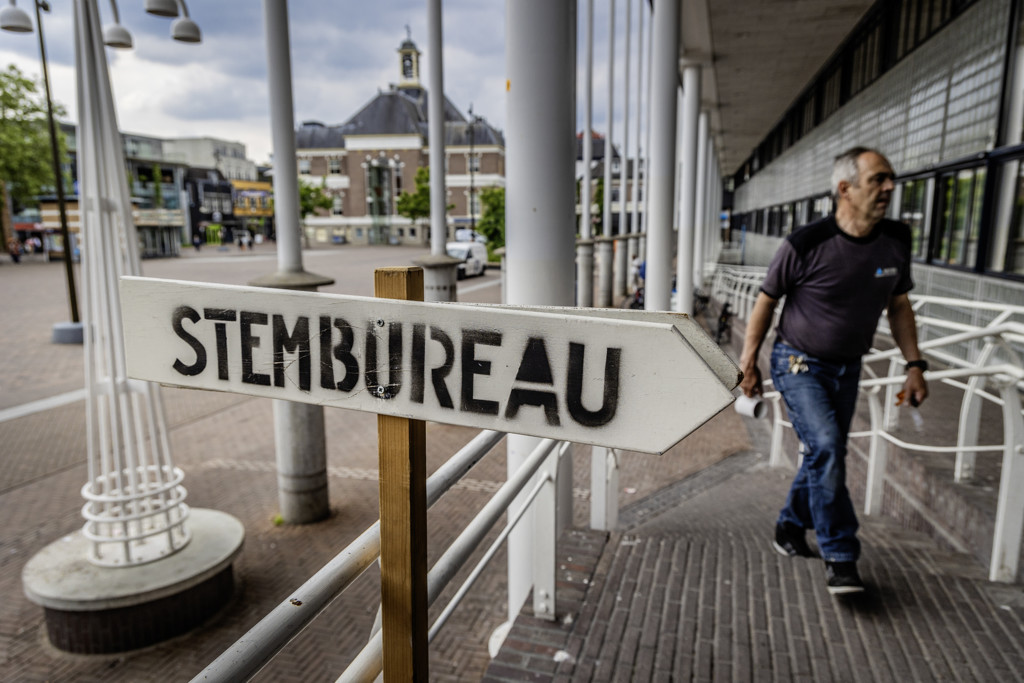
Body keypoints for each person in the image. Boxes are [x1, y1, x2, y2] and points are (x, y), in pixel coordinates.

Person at [738, 147, 929, 595]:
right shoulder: (805, 243)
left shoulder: (897, 240)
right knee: (826, 446)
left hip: (848, 367)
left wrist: (915, 364)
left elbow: (899, 304)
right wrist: (748, 363)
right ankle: (840, 554)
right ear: (845, 188)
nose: (889, 188)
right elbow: (766, 300)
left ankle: (789, 527)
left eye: (890, 179)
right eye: (878, 179)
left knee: (825, 452)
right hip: (797, 362)